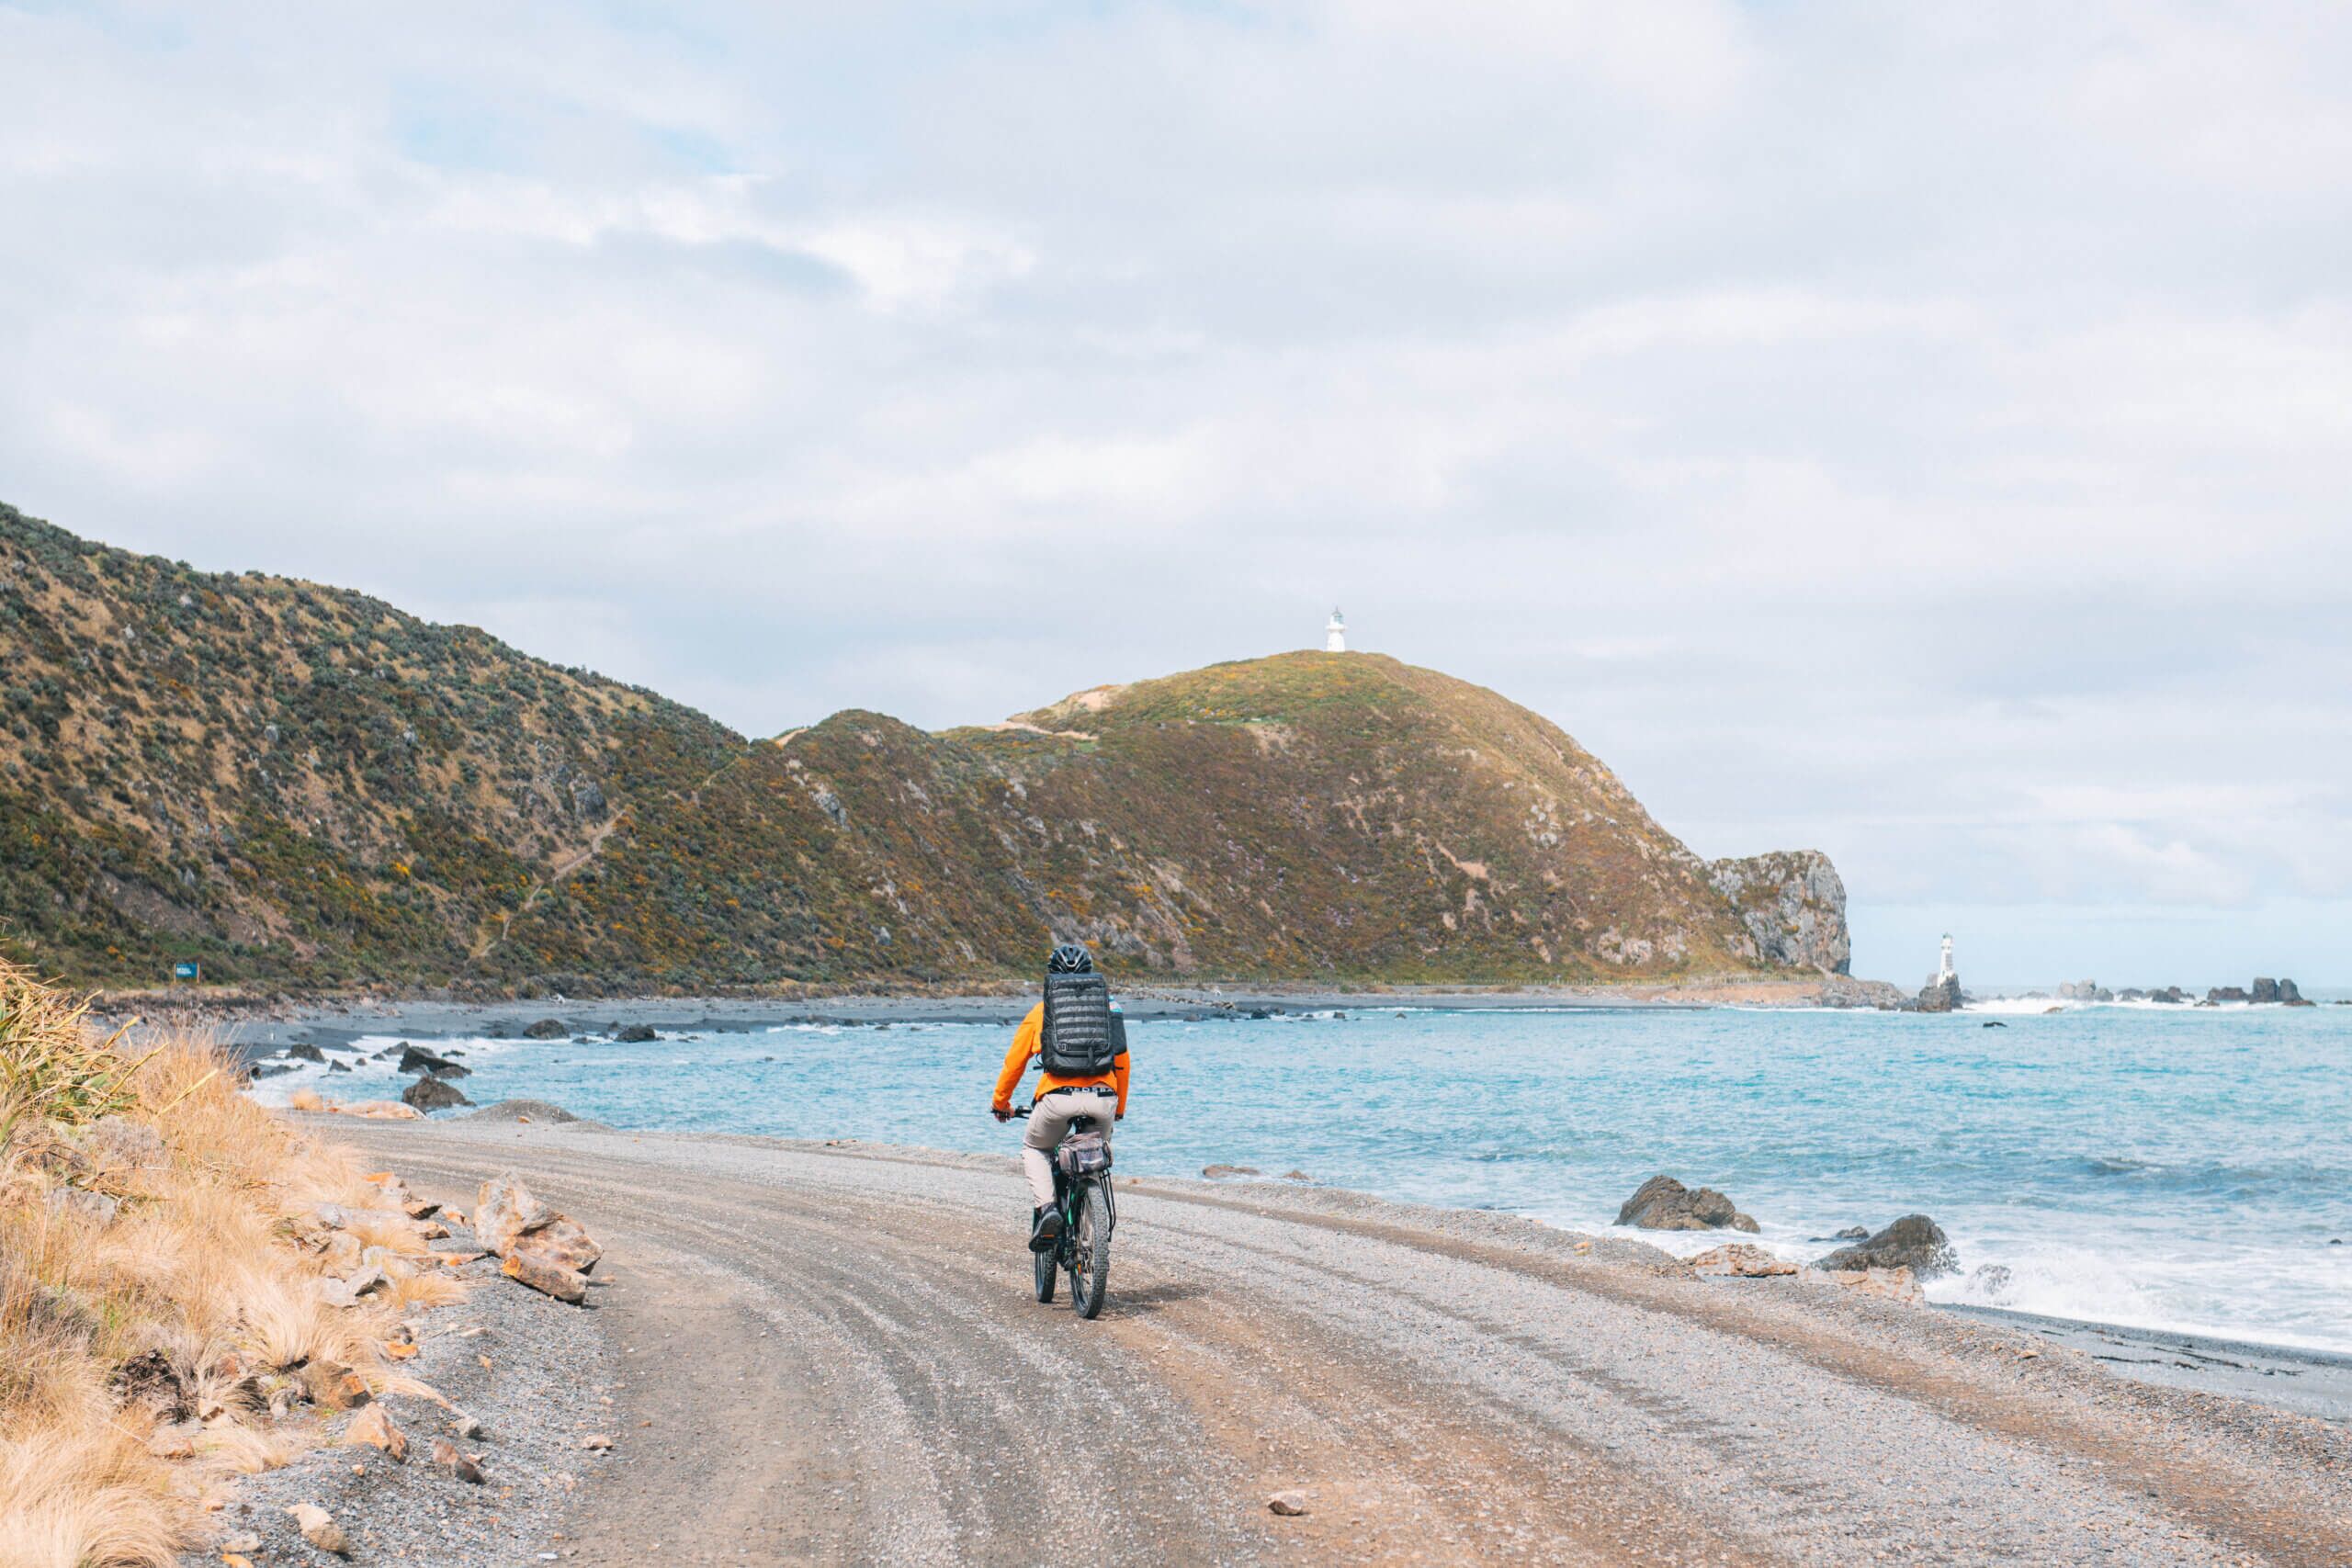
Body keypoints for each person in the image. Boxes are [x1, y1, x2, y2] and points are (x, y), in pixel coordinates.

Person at [992, 942, 1130, 1252]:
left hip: (1057, 1099)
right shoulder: (1109, 1008)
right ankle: (1094, 1237)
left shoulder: (1042, 1010)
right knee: (1092, 1160)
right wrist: (1118, 1107)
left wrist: (1001, 1103)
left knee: (1035, 1148)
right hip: (1102, 1098)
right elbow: (1122, 1061)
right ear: (1090, 975)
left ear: (1051, 977)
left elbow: (1015, 1063)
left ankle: (1050, 1209)